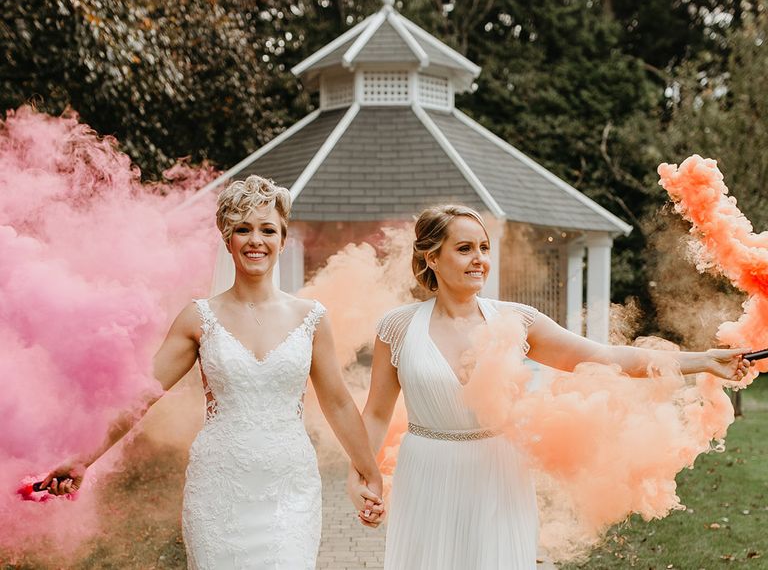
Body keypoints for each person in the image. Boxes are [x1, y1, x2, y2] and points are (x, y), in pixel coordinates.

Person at [348, 204, 751, 570]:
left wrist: (701, 361)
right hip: (426, 473)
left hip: (497, 474)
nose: (479, 260)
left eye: (484, 248)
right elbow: (377, 413)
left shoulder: (517, 320)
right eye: (465, 248)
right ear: (432, 257)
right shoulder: (397, 327)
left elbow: (604, 357)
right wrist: (362, 477)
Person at [43, 174, 383, 569]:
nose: (256, 240)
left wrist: (368, 473)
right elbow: (142, 396)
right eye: (243, 229)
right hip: (218, 488)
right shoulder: (198, 318)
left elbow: (338, 403)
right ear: (228, 240)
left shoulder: (311, 318)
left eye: (267, 230)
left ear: (282, 240)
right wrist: (85, 458)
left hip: (289, 489)